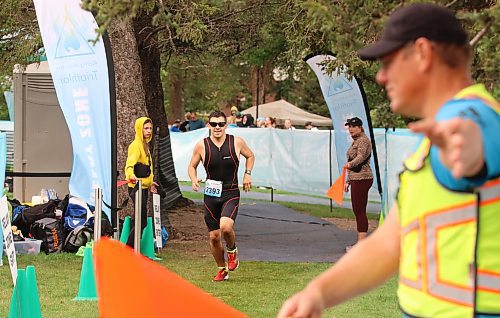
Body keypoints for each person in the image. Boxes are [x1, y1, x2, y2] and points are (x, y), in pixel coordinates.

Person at [278, 3, 499, 318]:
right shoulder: (432, 142)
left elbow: (473, 143)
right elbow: (388, 244)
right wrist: (318, 292)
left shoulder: (473, 120)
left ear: (422, 53)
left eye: (388, 61)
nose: (381, 77)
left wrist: (467, 150)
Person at [188, 110, 255, 282]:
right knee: (214, 236)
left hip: (230, 192)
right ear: (209, 125)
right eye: (214, 124)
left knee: (226, 227)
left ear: (225, 125)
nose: (217, 127)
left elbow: (250, 156)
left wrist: (247, 173)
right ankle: (221, 268)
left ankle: (232, 251)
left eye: (221, 124)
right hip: (211, 194)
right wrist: (194, 179)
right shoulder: (201, 145)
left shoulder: (236, 142)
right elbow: (192, 166)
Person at [124, 117, 158, 247]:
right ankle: (129, 249)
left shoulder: (145, 145)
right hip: (136, 188)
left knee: (139, 219)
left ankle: (134, 249)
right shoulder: (136, 145)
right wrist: (131, 175)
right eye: (146, 128)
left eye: (150, 128)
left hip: (143, 187)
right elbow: (129, 165)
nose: (149, 131)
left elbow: (147, 167)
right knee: (142, 221)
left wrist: (150, 183)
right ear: (139, 129)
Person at [343, 117, 373, 251]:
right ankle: (361, 243)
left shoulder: (363, 140)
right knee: (357, 210)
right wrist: (348, 180)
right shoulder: (356, 141)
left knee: (360, 211)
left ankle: (361, 245)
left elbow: (360, 157)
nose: (350, 129)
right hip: (356, 178)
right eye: (349, 126)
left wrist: (350, 164)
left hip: (363, 178)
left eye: (353, 126)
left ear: (360, 127)